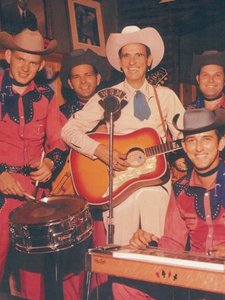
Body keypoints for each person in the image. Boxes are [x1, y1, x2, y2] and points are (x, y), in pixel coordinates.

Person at [112, 108, 225, 299]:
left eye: (206, 139)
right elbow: (174, 242)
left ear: (221, 142)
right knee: (123, 286)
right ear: (184, 145)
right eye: (192, 140)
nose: (199, 148)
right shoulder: (180, 188)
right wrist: (149, 243)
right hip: (196, 280)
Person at [61, 25, 186, 245]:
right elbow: (68, 130)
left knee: (155, 248)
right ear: (119, 62)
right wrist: (98, 150)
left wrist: (185, 156)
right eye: (126, 55)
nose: (132, 61)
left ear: (149, 60)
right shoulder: (107, 96)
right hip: (117, 185)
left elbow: (185, 135)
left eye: (138, 54)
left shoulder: (165, 97)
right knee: (120, 251)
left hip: (155, 185)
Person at [0, 29, 68, 299]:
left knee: (34, 274)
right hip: (2, 194)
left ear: (41, 65)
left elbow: (59, 142)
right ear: (8, 56)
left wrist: (50, 163)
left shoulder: (47, 96)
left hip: (34, 194)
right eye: (20, 60)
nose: (26, 68)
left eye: (32, 63)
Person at [56, 48, 110, 297]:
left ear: (98, 78)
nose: (84, 80)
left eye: (88, 74)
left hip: (105, 190)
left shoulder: (113, 109)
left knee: (104, 255)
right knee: (73, 260)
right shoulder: (60, 114)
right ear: (69, 83)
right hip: (73, 195)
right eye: (76, 76)